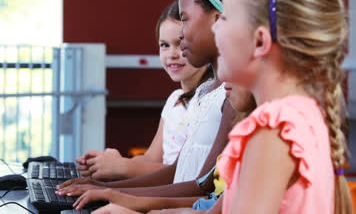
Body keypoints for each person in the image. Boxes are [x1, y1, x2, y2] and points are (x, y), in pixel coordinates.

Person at [56, 0, 237, 208]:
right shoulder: (205, 91)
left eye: (185, 19)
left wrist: (118, 196)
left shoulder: (234, 96)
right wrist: (104, 188)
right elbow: (177, 172)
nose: (181, 33)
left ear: (217, 20)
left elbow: (203, 186)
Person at [212, 0, 352, 213]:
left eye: (224, 17)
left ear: (260, 42)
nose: (214, 28)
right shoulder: (304, 116)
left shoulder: (273, 128)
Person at [76, 0, 212, 181]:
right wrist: (111, 163)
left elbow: (184, 174)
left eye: (180, 44)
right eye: (164, 45)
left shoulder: (211, 102)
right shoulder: (174, 100)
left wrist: (123, 167)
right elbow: (151, 159)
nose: (172, 54)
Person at [86, 83, 256, 214]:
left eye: (228, 56)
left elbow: (201, 191)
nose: (223, 74)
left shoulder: (264, 135)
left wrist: (119, 189)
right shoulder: (246, 132)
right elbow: (209, 201)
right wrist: (120, 196)